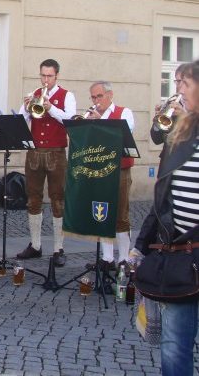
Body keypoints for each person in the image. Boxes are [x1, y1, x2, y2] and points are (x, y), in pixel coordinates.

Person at [135, 59, 199, 376]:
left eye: (184, 83)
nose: (179, 90)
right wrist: (143, 243)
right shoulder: (180, 128)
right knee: (174, 343)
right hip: (179, 253)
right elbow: (164, 196)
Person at [16, 59, 76, 266]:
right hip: (34, 152)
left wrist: (50, 107)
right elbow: (21, 120)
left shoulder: (67, 95)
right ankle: (35, 245)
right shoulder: (34, 93)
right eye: (42, 75)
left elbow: (70, 121)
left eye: (49, 76)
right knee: (33, 198)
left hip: (56, 153)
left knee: (58, 199)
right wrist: (25, 108)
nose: (45, 79)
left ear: (56, 75)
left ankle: (59, 248)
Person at [83, 81, 134, 267]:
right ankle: (107, 258)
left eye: (99, 96)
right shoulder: (91, 115)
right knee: (101, 213)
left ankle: (123, 259)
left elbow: (123, 135)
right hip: (100, 170)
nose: (96, 100)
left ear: (110, 95)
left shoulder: (124, 112)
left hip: (120, 170)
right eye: (93, 97)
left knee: (121, 214)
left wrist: (100, 121)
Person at [151, 63, 189, 146]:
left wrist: (184, 116)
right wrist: (158, 120)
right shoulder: (171, 102)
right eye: (178, 81)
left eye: (185, 82)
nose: (180, 85)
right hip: (169, 156)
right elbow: (156, 140)